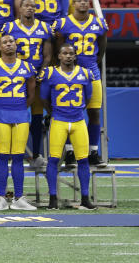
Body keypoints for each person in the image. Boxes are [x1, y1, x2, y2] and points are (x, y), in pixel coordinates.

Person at [0, 34, 38, 211]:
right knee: (3, 156)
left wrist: (19, 108)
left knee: (19, 156)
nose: (8, 44)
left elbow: (31, 95)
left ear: (16, 45)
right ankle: (1, 198)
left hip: (20, 115)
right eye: (4, 42)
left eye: (11, 41)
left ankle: (19, 197)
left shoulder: (27, 67)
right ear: (0, 47)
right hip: (1, 115)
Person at [41, 44, 98, 210]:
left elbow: (87, 98)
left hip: (78, 120)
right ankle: (53, 198)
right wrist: (54, 113)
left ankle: (85, 198)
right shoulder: (51, 73)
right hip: (59, 120)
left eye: (71, 53)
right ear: (59, 56)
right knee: (53, 159)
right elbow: (44, 98)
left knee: (83, 159)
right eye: (64, 53)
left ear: (75, 56)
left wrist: (76, 111)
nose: (68, 56)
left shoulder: (85, 73)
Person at [54, 0, 108, 166]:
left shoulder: (98, 23)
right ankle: (70, 153)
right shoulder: (63, 23)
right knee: (70, 112)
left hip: (91, 73)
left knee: (94, 112)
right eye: (79, 0)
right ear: (73, 3)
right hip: (70, 75)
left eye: (86, 0)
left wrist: (94, 61)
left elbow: (102, 44)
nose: (83, 3)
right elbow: (58, 48)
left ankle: (93, 152)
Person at [1, 0, 53, 170]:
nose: (29, 8)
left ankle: (36, 154)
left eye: (33, 6)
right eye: (26, 6)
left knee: (37, 117)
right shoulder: (9, 27)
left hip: (36, 77)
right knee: (11, 116)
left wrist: (41, 73)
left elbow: (47, 55)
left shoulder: (44, 27)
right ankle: (9, 154)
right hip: (15, 78)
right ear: (20, 8)